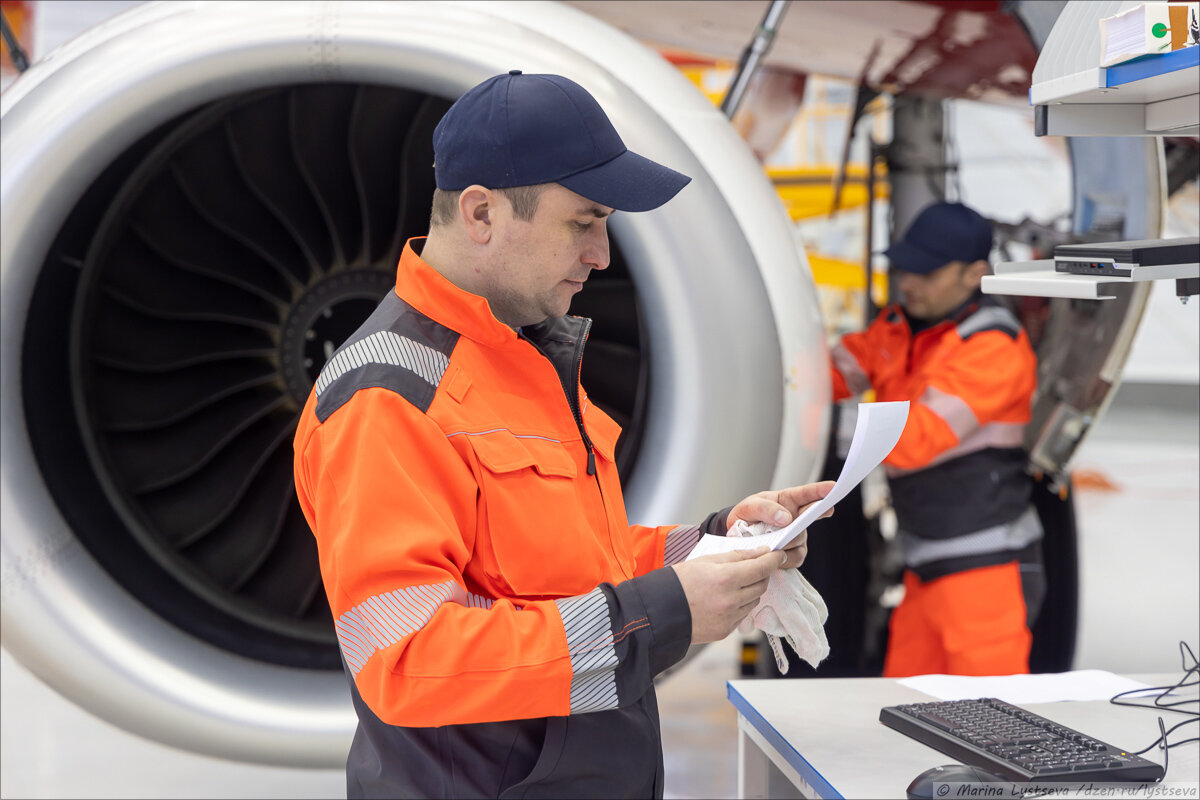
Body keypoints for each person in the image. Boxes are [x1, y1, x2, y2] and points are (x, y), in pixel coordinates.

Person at [293, 70, 834, 799]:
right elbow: (407, 657)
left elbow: (570, 564)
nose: (602, 255)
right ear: (481, 213)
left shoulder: (516, 356)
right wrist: (666, 610)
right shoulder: (389, 398)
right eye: (584, 221)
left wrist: (717, 544)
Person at [829, 201, 1045, 678]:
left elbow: (915, 441)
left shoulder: (991, 348)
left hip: (984, 570)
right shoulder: (900, 328)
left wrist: (819, 429)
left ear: (974, 275)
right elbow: (834, 371)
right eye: (906, 268)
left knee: (991, 727)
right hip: (926, 564)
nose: (908, 283)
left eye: (927, 274)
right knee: (903, 710)